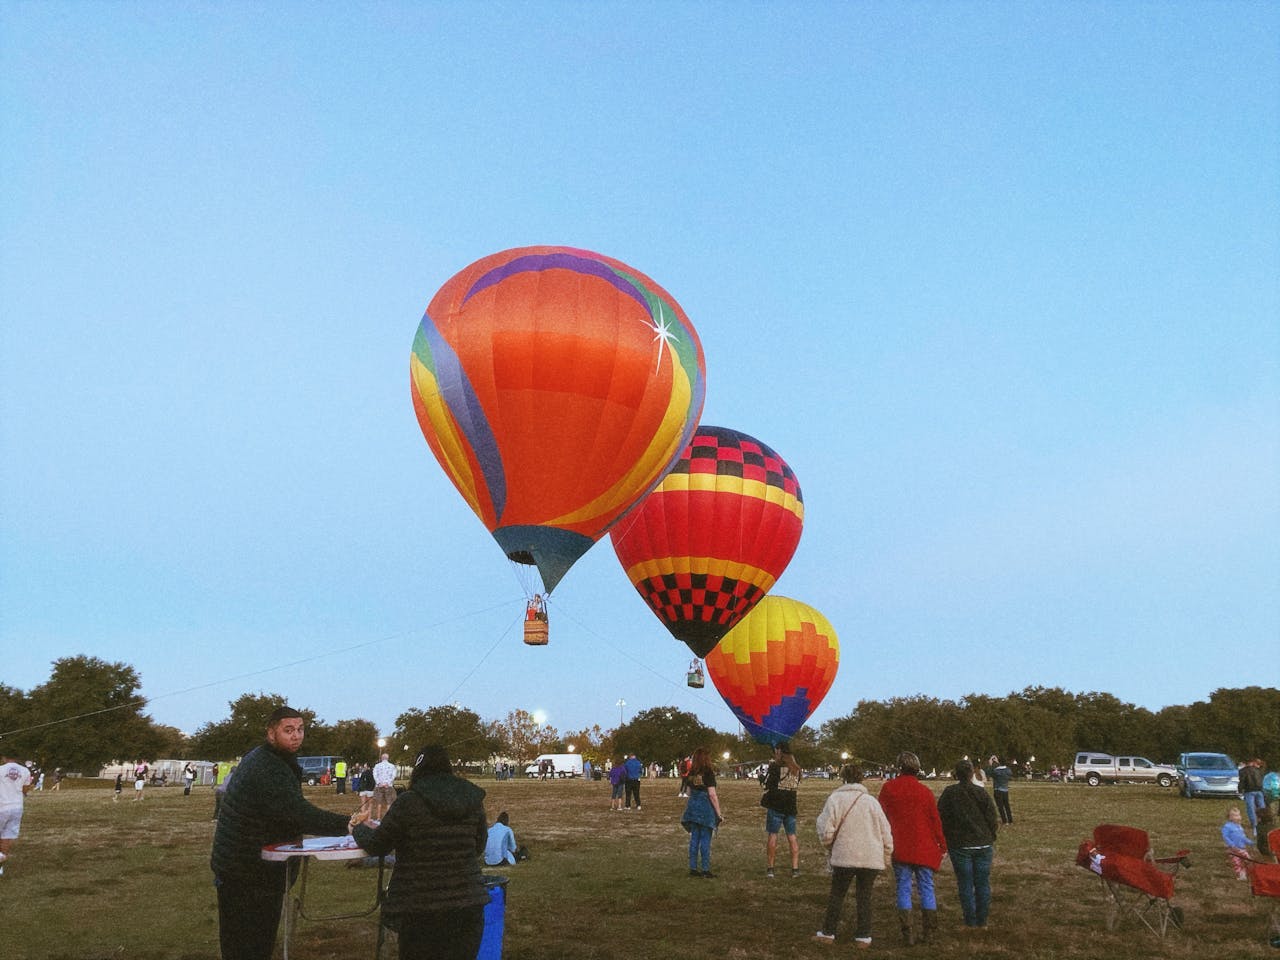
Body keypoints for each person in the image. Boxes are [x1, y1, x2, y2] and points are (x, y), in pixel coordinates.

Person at [210, 706, 352, 960]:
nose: (296, 736)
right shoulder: (267, 765)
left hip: (247, 868)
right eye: (288, 730)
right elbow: (297, 813)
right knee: (249, 947)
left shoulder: (272, 759)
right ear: (271, 733)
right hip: (246, 872)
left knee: (249, 945)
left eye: (300, 730)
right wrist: (349, 825)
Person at [351, 744, 489, 960]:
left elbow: (378, 845)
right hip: (469, 904)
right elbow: (478, 846)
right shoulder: (471, 799)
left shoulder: (409, 802)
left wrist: (357, 828)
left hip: (420, 907)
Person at [813, 763, 893, 948]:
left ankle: (828, 932)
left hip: (844, 855)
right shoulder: (872, 802)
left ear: (843, 777)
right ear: (861, 778)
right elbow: (885, 831)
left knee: (837, 894)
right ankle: (863, 936)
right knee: (864, 896)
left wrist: (830, 845)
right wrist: (887, 855)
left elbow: (825, 829)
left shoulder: (835, 799)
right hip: (870, 856)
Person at [877, 751, 947, 945]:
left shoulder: (889, 788)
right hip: (923, 845)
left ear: (898, 767)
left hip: (900, 845)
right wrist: (942, 843)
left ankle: (907, 932)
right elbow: (935, 820)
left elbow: (881, 817)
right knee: (926, 886)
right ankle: (929, 931)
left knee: (903, 886)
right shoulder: (924, 791)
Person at [937, 759, 999, 931]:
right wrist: (991, 836)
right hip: (982, 843)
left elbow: (941, 816)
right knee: (982, 883)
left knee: (965, 883)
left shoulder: (950, 793)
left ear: (956, 774)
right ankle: (982, 921)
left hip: (960, 844)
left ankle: (970, 921)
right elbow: (992, 818)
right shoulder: (981, 793)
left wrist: (947, 837)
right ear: (972, 774)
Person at [680, 747, 724, 878]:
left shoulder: (691, 772)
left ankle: (693, 868)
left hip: (693, 807)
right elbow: (712, 795)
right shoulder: (709, 773)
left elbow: (688, 792)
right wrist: (719, 813)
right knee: (705, 839)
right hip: (705, 808)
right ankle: (705, 869)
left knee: (694, 839)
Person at [762, 741, 802, 878]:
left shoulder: (775, 766)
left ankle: (770, 868)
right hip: (790, 806)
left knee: (773, 835)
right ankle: (795, 868)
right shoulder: (797, 769)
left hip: (776, 806)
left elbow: (768, 786)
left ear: (779, 751)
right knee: (792, 837)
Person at [0, 754, 34, 878]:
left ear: (4, 757)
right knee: (7, 836)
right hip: (17, 807)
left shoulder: (0, 769)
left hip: (2, 805)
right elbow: (25, 789)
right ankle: (1, 866)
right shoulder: (25, 771)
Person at [1222, 804, 1254, 880]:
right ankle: (1240, 874)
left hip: (1242, 847)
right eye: (1235, 815)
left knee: (1245, 860)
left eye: (1239, 815)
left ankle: (1245, 873)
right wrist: (1231, 844)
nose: (1238, 817)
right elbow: (1225, 836)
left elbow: (1242, 837)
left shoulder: (1239, 826)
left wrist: (1249, 841)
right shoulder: (1227, 826)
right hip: (1233, 848)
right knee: (1237, 862)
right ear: (1230, 817)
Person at [1241, 758, 1265, 835]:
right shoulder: (1259, 770)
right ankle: (1264, 820)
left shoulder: (1243, 771)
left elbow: (1242, 781)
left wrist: (1240, 790)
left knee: (1250, 808)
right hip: (1259, 790)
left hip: (1249, 790)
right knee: (1262, 807)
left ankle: (1254, 823)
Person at [989, 756, 1014, 825]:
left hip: (997, 790)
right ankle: (1010, 820)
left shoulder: (996, 770)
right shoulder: (1008, 770)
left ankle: (1004, 821)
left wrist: (991, 764)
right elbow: (1010, 774)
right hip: (1005, 790)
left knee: (1000, 806)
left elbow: (991, 773)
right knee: (1007, 805)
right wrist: (998, 762)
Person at [373, 753, 398, 821]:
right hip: (388, 786)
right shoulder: (392, 766)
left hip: (379, 786)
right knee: (389, 803)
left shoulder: (377, 766)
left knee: (379, 803)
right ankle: (387, 819)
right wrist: (388, 783)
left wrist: (379, 783)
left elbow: (375, 775)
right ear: (388, 758)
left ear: (381, 758)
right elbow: (393, 775)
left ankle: (378, 818)